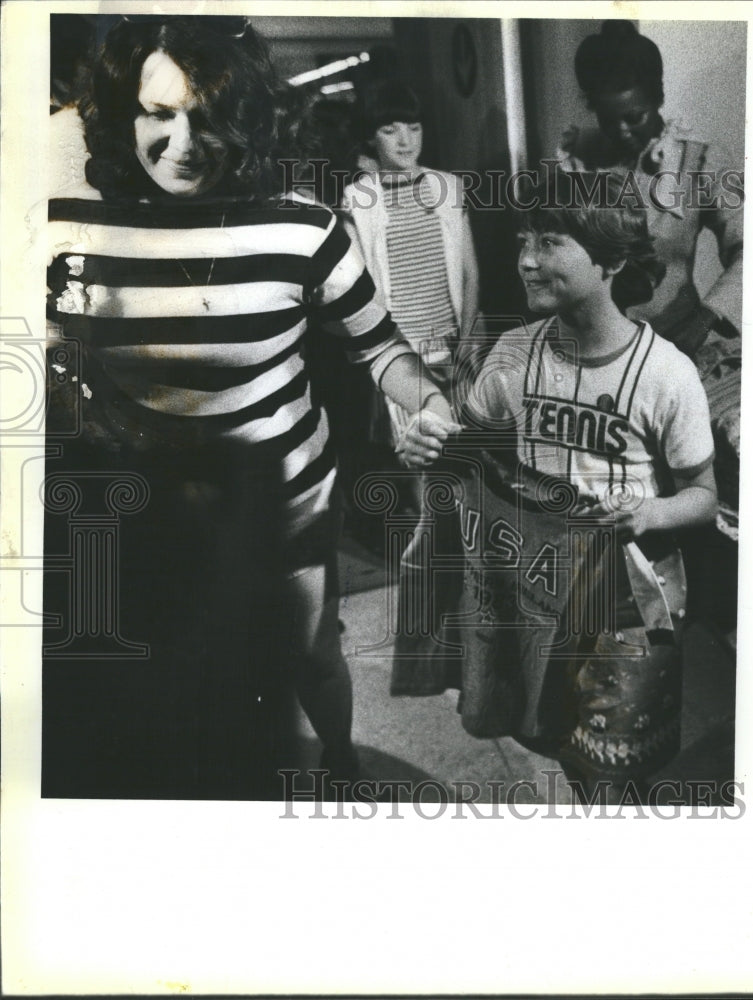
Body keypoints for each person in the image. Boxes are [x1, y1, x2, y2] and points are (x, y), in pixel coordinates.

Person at [43, 15, 458, 799]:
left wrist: (427, 400)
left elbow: (380, 347)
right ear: (122, 112)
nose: (185, 141)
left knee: (307, 656)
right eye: (159, 115)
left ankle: (339, 759)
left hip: (286, 498)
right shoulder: (72, 229)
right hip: (147, 513)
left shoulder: (304, 226)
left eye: (208, 116)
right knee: (172, 683)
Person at [454, 170, 718, 801]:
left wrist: (651, 513)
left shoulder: (665, 374)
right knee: (564, 740)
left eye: (549, 242)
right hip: (539, 595)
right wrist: (431, 444)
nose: (524, 260)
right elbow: (471, 452)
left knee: (619, 758)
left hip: (624, 608)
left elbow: (704, 497)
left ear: (612, 259)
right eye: (523, 240)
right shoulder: (512, 355)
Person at [555, 20, 743, 537]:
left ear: (658, 98)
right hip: (597, 355)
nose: (622, 133)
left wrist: (710, 315)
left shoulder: (700, 159)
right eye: (607, 118)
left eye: (635, 117)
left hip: (683, 344)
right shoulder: (574, 164)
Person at [341, 80, 480, 466]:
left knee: (463, 457)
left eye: (414, 128)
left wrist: (466, 342)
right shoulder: (358, 200)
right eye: (390, 130)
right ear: (370, 138)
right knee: (419, 462)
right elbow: (363, 291)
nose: (405, 141)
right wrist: (392, 352)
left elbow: (470, 273)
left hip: (454, 348)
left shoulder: (447, 188)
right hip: (401, 355)